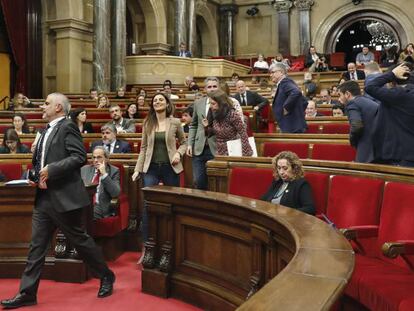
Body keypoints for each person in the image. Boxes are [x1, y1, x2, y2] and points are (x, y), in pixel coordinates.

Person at [0, 93, 115, 310]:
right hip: (44, 198)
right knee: (37, 246)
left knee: (80, 241)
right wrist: (35, 176)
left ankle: (106, 276)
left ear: (59, 108)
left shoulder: (67, 126)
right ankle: (27, 293)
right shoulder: (44, 131)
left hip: (64, 197)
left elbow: (79, 156)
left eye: (46, 103)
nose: (42, 106)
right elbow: (40, 163)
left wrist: (50, 170)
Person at [132, 93, 186, 246]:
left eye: (161, 99)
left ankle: (174, 242)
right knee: (147, 205)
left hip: (171, 168)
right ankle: (147, 245)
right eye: (155, 100)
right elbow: (143, 148)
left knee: (173, 204)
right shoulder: (147, 122)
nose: (157, 102)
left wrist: (178, 153)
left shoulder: (175, 122)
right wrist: (138, 169)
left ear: (167, 103)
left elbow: (183, 143)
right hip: (151, 168)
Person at [365, 63, 414, 167]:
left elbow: (370, 87)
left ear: (392, 82)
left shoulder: (398, 95)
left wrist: (391, 74)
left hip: (401, 157)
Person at [186, 76, 219, 190]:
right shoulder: (198, 103)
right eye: (209, 87)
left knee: (216, 183)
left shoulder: (225, 103)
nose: (212, 89)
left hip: (216, 148)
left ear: (219, 88)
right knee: (199, 182)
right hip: (199, 148)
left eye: (214, 86)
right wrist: (189, 144)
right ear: (205, 89)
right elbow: (194, 125)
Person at [261, 151, 315, 215]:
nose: (281, 172)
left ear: (294, 168)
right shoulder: (277, 182)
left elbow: (310, 208)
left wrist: (288, 212)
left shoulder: (301, 184)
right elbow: (263, 200)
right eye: (279, 168)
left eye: (285, 168)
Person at [337, 81, 379, 163]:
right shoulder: (367, 101)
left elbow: (356, 126)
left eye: (339, 95)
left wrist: (352, 140)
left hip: (368, 149)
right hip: (380, 146)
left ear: (347, 94)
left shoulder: (352, 103)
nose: (338, 99)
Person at [202, 90, 252, 156]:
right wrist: (206, 127)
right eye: (210, 103)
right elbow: (214, 132)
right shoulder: (213, 113)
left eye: (213, 104)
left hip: (233, 150)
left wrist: (245, 154)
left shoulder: (232, 115)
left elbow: (243, 134)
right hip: (220, 151)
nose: (211, 106)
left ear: (221, 103)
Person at [81, 146, 120, 219]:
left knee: (87, 213)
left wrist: (104, 174)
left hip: (100, 206)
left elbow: (116, 193)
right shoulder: (84, 169)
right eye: (94, 157)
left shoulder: (114, 171)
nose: (95, 160)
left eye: (99, 157)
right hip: (83, 204)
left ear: (106, 159)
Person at [269, 63, 307, 133]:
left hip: (292, 127)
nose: (270, 75)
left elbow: (296, 92)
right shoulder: (284, 83)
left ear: (281, 72)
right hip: (292, 125)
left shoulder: (285, 82)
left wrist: (286, 107)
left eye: (272, 72)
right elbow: (304, 101)